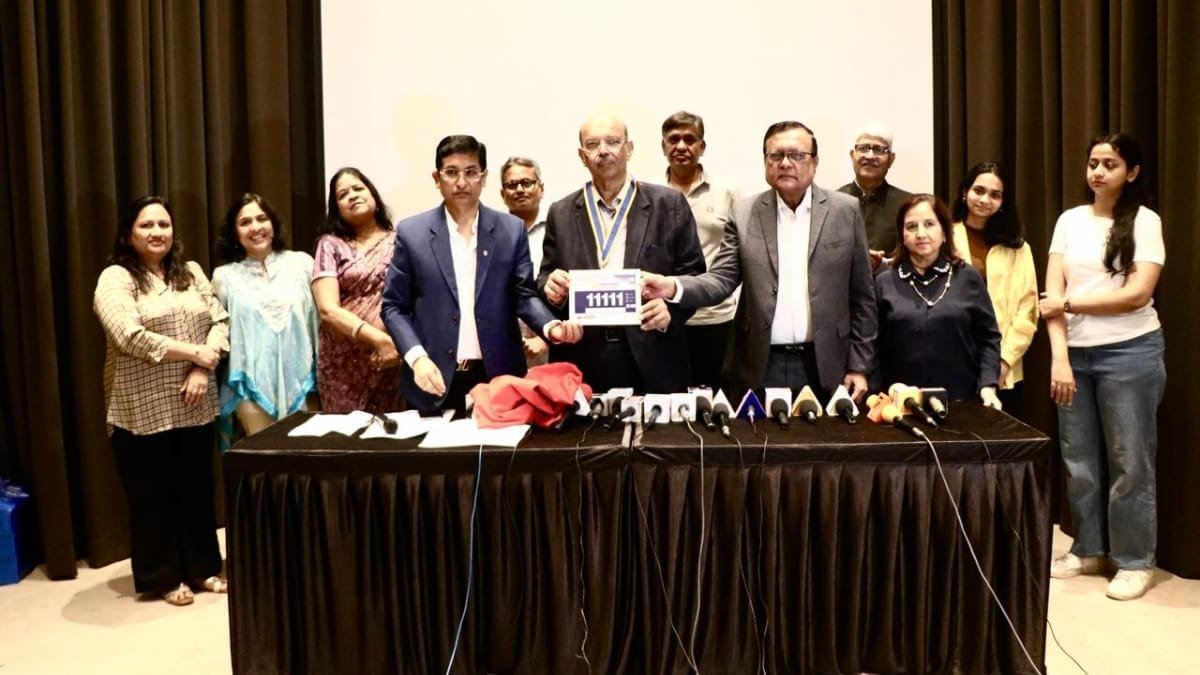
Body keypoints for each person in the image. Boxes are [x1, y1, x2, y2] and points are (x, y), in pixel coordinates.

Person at [642, 121, 876, 402]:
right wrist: (673, 286)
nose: (785, 163)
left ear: (814, 162)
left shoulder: (845, 210)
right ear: (765, 162)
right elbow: (721, 280)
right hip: (762, 364)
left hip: (826, 362)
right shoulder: (745, 213)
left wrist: (859, 365)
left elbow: (863, 296)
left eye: (796, 155)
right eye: (776, 156)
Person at [1039, 133, 1166, 601]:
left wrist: (1071, 304)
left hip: (1130, 352)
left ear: (1131, 172)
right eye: (1093, 162)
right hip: (1074, 355)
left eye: (1109, 164)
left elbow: (1137, 293)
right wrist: (1060, 358)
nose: (1097, 172)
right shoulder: (1069, 220)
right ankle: (1089, 549)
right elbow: (1050, 298)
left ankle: (1134, 561)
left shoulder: (1145, 221)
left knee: (1130, 462)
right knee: (1079, 459)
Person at [93, 195, 229, 606]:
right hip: (140, 407)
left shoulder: (191, 271)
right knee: (151, 496)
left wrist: (202, 368)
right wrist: (194, 353)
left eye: (163, 224)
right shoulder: (116, 278)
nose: (157, 232)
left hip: (195, 400)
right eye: (146, 225)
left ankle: (203, 567)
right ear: (128, 234)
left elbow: (219, 321)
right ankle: (164, 576)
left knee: (196, 490)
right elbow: (129, 335)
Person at [382, 135, 582, 414]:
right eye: (451, 172)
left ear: (484, 177)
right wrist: (416, 358)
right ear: (437, 178)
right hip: (433, 376)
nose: (461, 182)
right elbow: (393, 307)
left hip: (498, 377)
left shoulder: (510, 230)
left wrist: (551, 327)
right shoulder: (412, 233)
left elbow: (523, 296)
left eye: (470, 172)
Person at [538, 114, 705, 393]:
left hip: (653, 350)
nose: (603, 150)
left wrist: (670, 310)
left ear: (629, 149)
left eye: (613, 142)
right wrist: (550, 287)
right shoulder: (561, 212)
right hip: (583, 353)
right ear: (582, 155)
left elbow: (695, 275)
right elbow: (545, 276)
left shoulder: (669, 204)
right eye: (593, 144)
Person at [875, 194, 1002, 406]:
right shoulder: (884, 282)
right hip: (901, 403)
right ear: (902, 235)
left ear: (944, 232)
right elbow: (873, 347)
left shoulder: (968, 277)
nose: (921, 234)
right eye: (911, 227)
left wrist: (988, 385)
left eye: (929, 224)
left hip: (962, 399)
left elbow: (989, 338)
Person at [213, 193, 319, 439]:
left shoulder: (302, 264)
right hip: (250, 389)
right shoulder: (223, 277)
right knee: (264, 459)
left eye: (262, 219)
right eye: (245, 222)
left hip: (304, 384)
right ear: (235, 233)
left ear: (273, 224)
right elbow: (218, 332)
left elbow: (322, 322)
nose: (255, 227)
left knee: (306, 458)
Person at [312, 167, 404, 414]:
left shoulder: (400, 241)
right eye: (343, 194)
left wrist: (395, 345)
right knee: (345, 434)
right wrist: (378, 339)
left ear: (373, 196)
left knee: (391, 433)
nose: (352, 196)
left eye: (358, 188)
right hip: (342, 365)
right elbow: (327, 309)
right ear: (337, 209)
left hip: (392, 359)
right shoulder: (330, 245)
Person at [660, 111, 740, 389]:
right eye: (673, 140)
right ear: (663, 146)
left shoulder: (726, 192)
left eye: (689, 139)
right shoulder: (649, 193)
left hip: (717, 317)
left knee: (717, 401)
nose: (681, 146)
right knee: (670, 402)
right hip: (666, 317)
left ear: (702, 146)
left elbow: (741, 251)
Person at [950, 162, 1038, 408]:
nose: (985, 200)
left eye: (995, 195)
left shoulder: (1018, 248)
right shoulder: (944, 238)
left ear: (1003, 202)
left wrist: (1004, 360)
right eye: (979, 191)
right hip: (953, 359)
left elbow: (1028, 310)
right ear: (965, 191)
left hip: (1004, 365)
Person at [837, 123, 913, 270]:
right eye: (863, 148)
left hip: (892, 282)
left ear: (891, 159)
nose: (870, 156)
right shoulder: (833, 203)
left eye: (879, 150)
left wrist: (884, 264)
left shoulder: (908, 204)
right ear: (852, 155)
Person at [499, 156, 551, 368]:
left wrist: (546, 337)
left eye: (527, 183)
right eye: (512, 185)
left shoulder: (558, 230)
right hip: (505, 345)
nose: (519, 189)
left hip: (553, 345)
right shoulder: (492, 234)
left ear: (541, 189)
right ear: (503, 194)